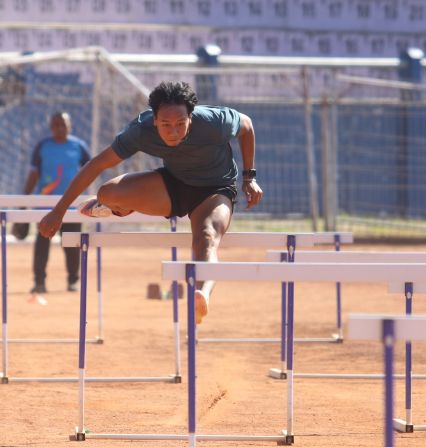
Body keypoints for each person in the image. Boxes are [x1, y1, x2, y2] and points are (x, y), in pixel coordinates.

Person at [38, 81, 262, 323]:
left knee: (207, 235)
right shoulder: (141, 130)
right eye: (166, 125)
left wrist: (250, 177)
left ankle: (202, 295)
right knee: (107, 193)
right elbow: (97, 164)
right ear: (154, 120)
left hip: (215, 189)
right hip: (174, 184)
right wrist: (58, 212)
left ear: (191, 117)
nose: (173, 131)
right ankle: (114, 206)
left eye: (180, 124)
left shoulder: (214, 122)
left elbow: (246, 125)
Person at [24, 112, 90, 294]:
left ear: (70, 126)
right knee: (42, 246)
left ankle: (72, 281)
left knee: (71, 245)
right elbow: (33, 174)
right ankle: (39, 282)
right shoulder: (42, 147)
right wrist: (23, 199)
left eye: (63, 124)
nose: (59, 128)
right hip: (45, 207)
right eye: (56, 125)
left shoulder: (79, 146)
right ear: (51, 127)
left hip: (72, 205)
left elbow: (90, 172)